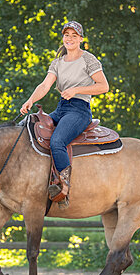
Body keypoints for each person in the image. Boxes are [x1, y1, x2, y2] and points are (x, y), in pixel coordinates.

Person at [20, 21, 109, 205]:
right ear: (63, 38)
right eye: (67, 35)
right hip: (62, 108)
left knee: (57, 141)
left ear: (81, 39)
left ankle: (64, 186)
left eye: (74, 36)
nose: (69, 38)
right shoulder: (58, 62)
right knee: (29, 128)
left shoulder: (88, 59)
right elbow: (45, 85)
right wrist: (30, 100)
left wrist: (76, 90)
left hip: (79, 110)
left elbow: (103, 86)